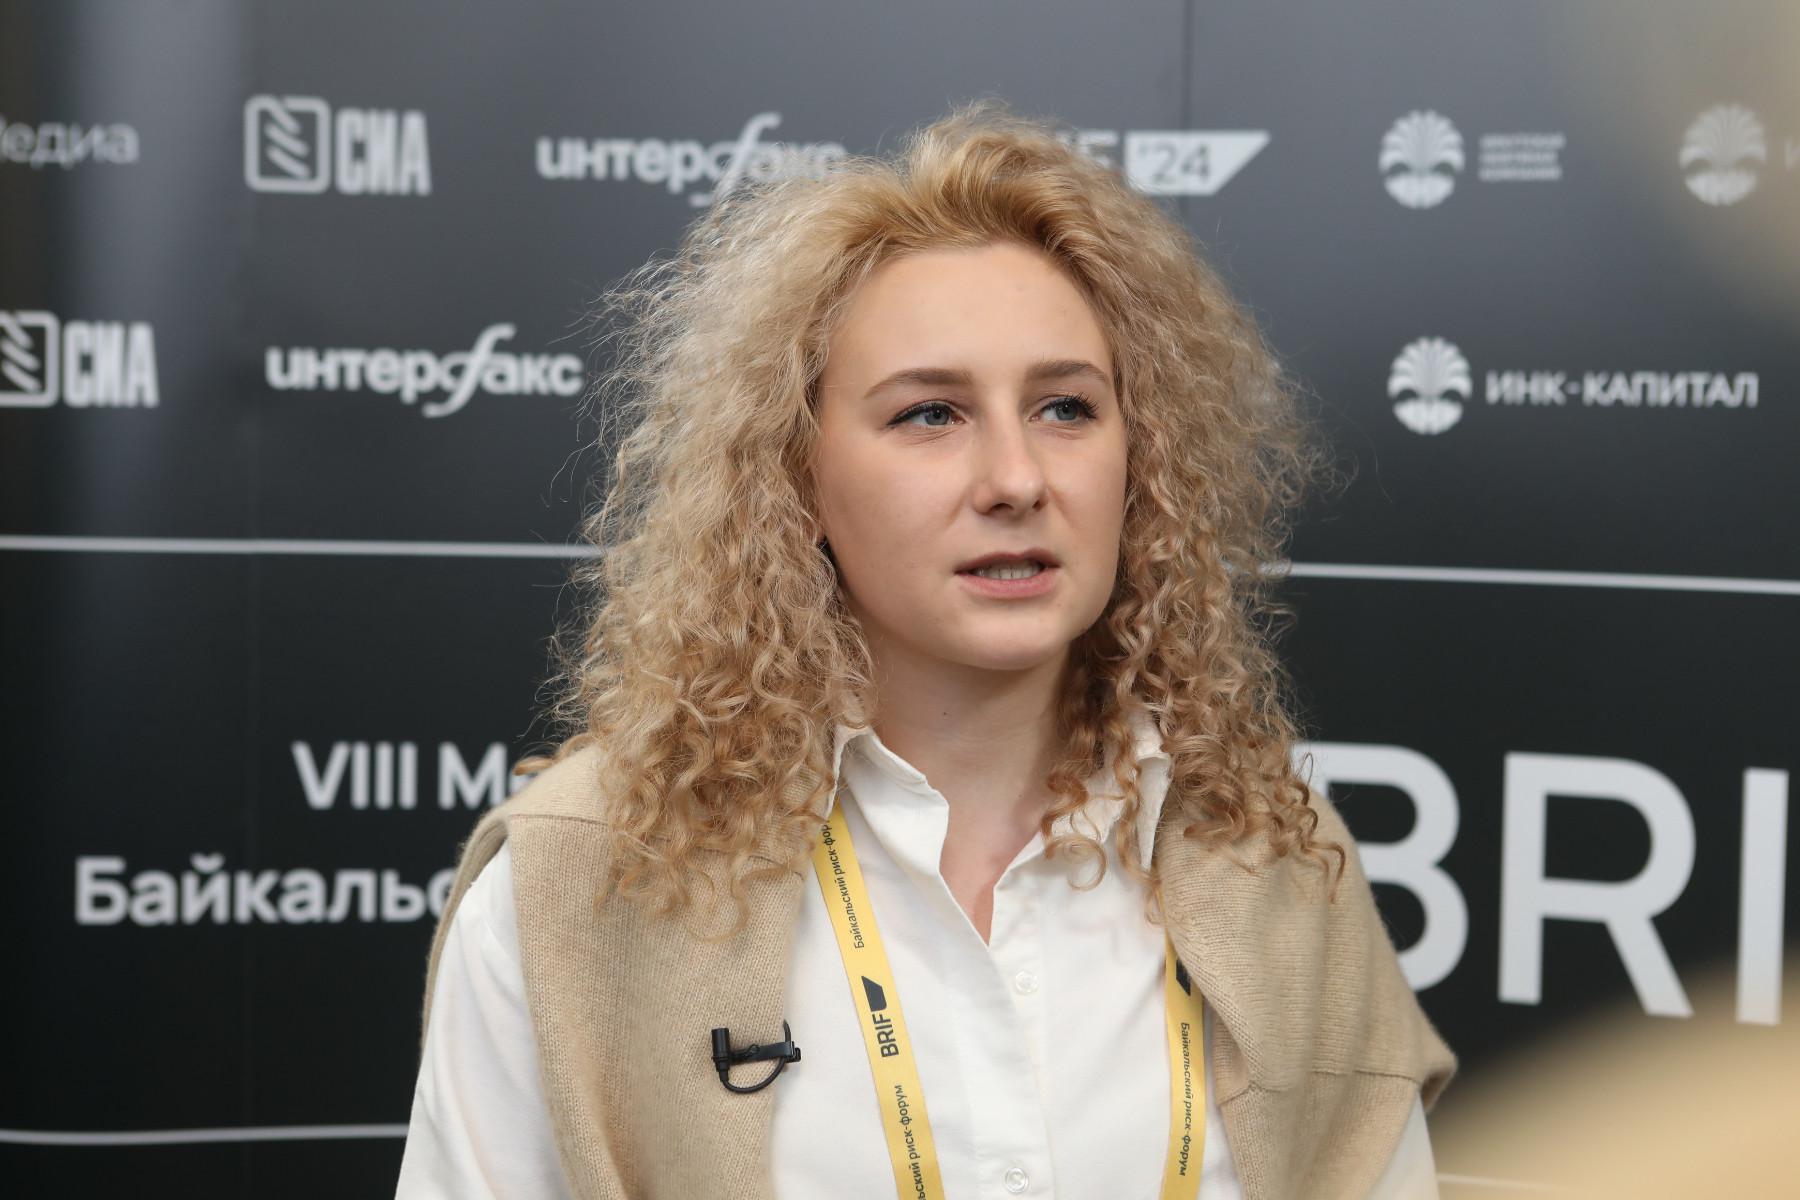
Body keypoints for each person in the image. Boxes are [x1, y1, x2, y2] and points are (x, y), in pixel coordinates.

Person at [395, 99, 1455, 1199]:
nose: (1016, 479)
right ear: (796, 478)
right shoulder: (583, 882)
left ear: (1141, 461)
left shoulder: (1274, 855)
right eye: (929, 415)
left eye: (1065, 408)